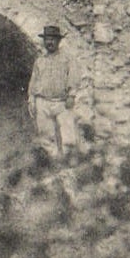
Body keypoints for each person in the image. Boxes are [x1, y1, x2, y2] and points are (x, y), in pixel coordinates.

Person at [28, 25, 79, 158]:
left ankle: (69, 163)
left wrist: (71, 95)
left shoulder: (67, 59)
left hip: (61, 102)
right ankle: (52, 164)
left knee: (68, 135)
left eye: (52, 39)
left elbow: (73, 77)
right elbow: (33, 82)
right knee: (46, 136)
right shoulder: (40, 61)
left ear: (58, 41)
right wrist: (32, 100)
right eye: (47, 39)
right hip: (43, 102)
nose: (49, 42)